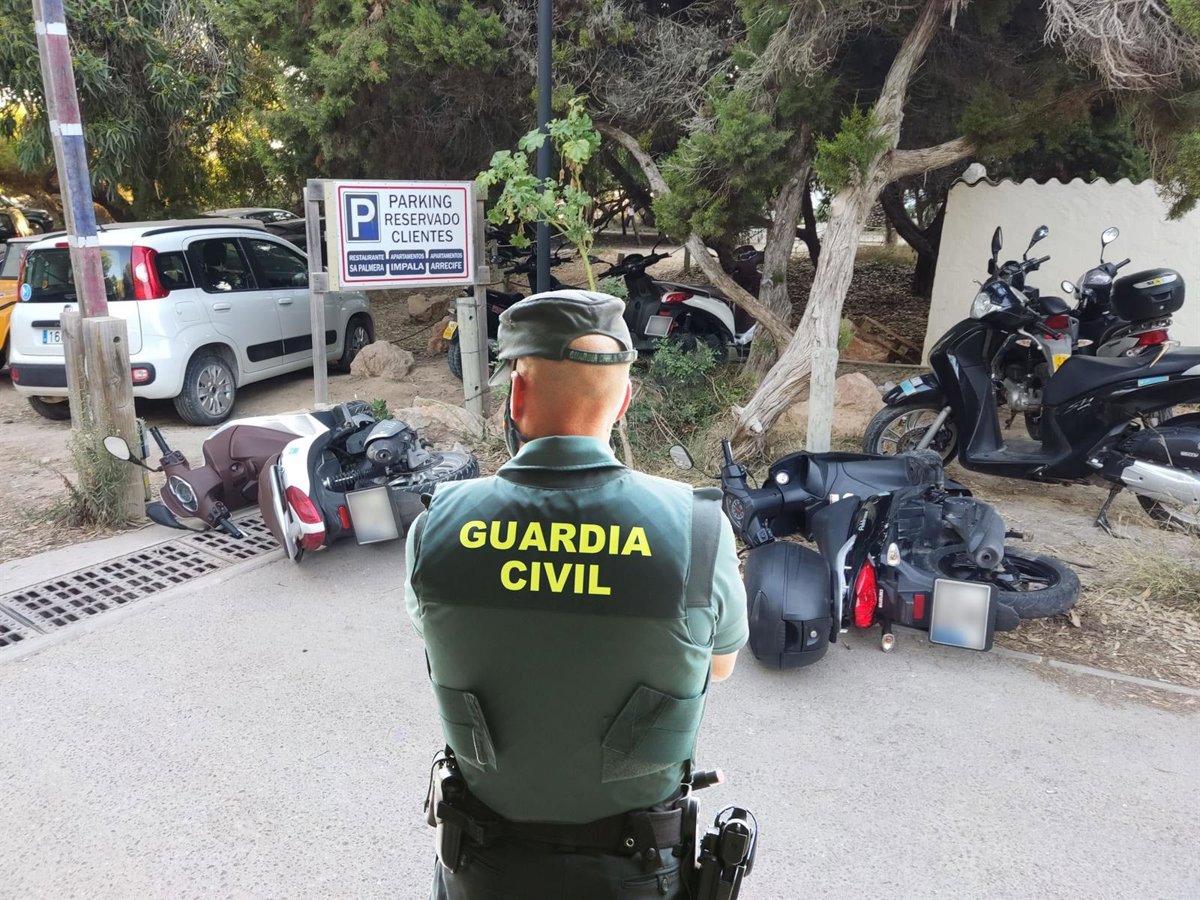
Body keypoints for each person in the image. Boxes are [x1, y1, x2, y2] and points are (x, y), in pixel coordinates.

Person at [404, 290, 748, 899]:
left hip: (483, 868)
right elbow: (718, 666)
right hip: (636, 871)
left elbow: (441, 640)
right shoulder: (699, 531)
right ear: (624, 400)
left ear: (516, 395)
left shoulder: (437, 526)